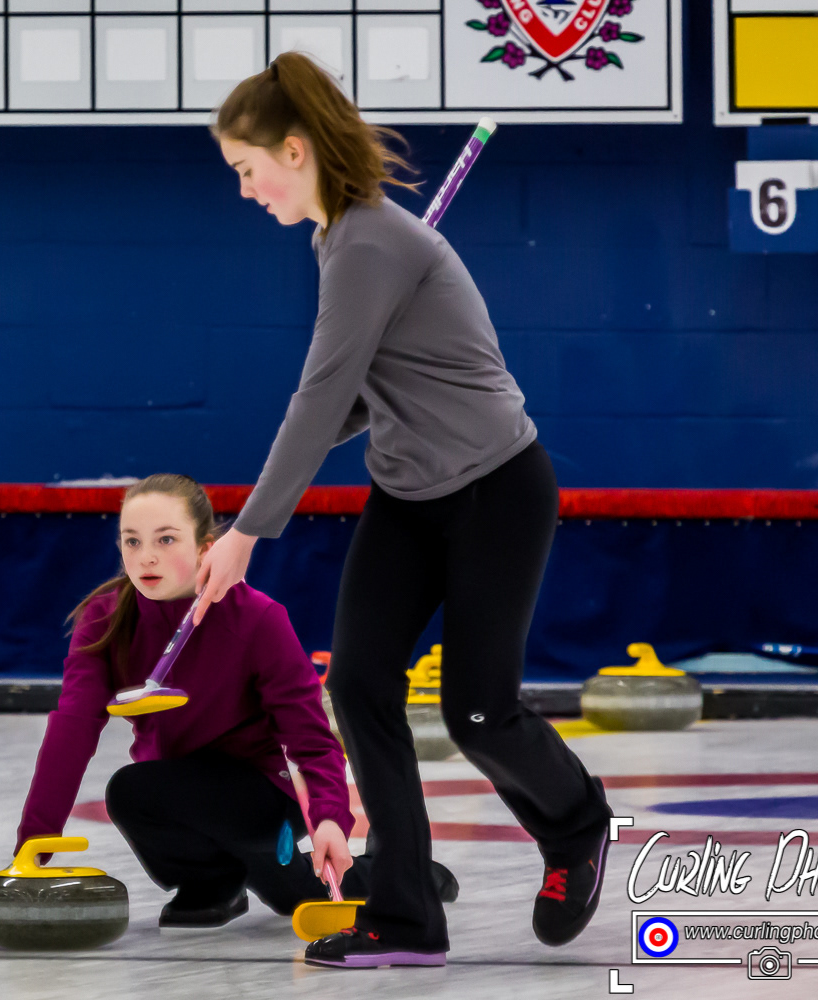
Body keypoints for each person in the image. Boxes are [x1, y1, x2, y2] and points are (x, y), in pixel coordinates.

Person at [194, 53, 614, 968]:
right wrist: (298, 463)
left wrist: (248, 530)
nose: (245, 189)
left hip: (497, 491)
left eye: (246, 168)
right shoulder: (338, 240)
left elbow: (318, 399)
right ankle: (407, 915)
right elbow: (358, 398)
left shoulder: (371, 244)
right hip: (408, 495)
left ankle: (577, 824)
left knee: (478, 712)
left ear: (294, 150)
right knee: (359, 683)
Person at [15, 475, 457, 927]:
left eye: (166, 539)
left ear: (206, 548)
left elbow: (311, 740)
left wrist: (329, 819)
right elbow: (72, 728)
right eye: (132, 541)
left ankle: (401, 873)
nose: (146, 556)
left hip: (263, 790)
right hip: (176, 786)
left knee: (294, 897)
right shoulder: (104, 619)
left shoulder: (256, 619)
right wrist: (36, 840)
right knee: (132, 792)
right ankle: (212, 882)